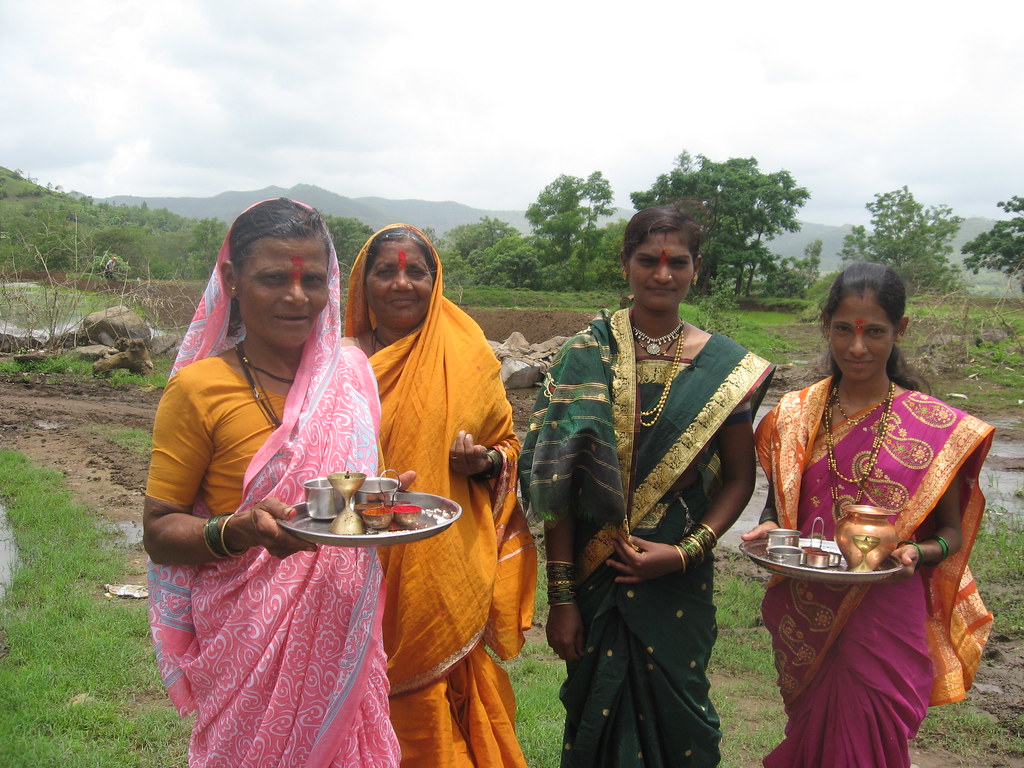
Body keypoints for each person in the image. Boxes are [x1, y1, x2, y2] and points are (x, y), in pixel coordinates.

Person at [144, 198, 401, 767]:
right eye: (272, 279)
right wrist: (238, 532)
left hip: (343, 637)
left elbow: (342, 501)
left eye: (313, 280)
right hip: (246, 653)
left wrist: (382, 499)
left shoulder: (353, 375)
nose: (297, 297)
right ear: (232, 280)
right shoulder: (199, 390)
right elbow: (159, 530)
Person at [519, 204, 775, 768]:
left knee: (682, 718)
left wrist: (685, 553)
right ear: (626, 263)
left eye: (677, 262)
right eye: (648, 260)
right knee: (594, 718)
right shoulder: (584, 356)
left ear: (696, 267)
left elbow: (739, 478)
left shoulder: (725, 366)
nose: (662, 274)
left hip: (677, 580)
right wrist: (561, 600)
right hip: (594, 578)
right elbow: (557, 490)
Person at [741, 262, 995, 768]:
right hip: (809, 601)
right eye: (844, 330)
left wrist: (916, 552)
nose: (857, 348)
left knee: (867, 742)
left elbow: (948, 534)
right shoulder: (790, 418)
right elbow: (778, 507)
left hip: (885, 607)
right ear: (826, 325)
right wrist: (768, 529)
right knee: (815, 733)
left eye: (874, 332)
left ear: (899, 330)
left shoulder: (935, 427)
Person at [344, 224, 537, 767]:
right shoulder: (338, 361)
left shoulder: (466, 348)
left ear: (435, 279)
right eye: (386, 270)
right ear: (363, 281)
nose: (401, 282)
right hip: (355, 555)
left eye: (416, 271)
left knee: (444, 687)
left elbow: (507, 442)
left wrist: (486, 461)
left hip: (443, 554)